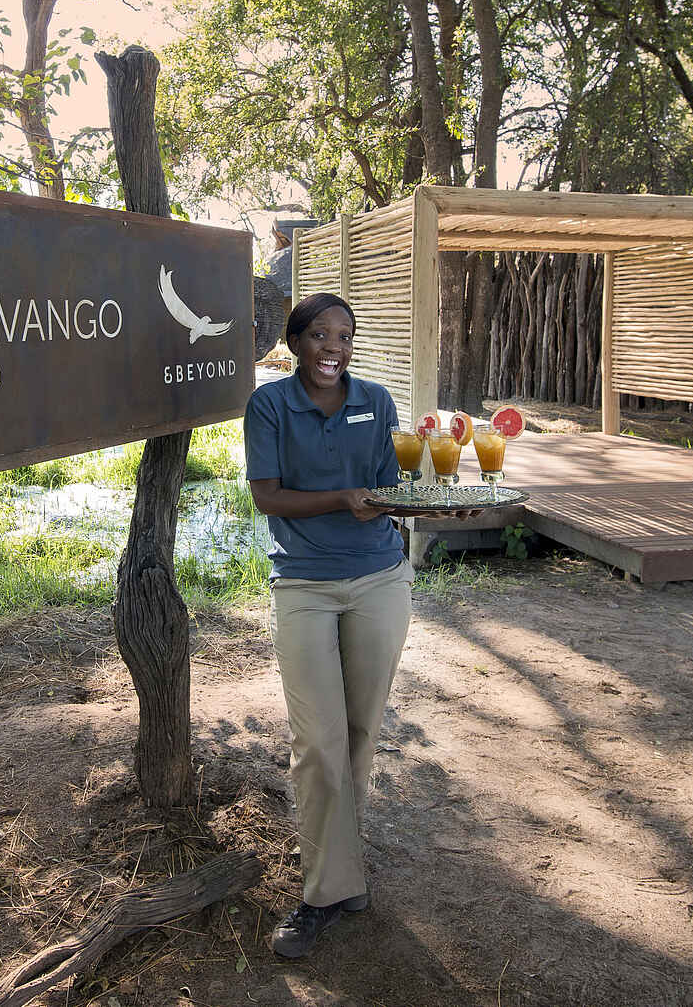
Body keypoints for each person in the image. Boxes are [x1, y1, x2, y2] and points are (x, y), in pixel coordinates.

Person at [243, 292, 413, 958]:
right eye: (319, 335)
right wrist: (342, 499)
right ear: (295, 342)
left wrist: (436, 504)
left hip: (380, 578)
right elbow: (267, 496)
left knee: (362, 732)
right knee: (318, 739)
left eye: (344, 336)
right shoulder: (269, 405)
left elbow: (391, 488)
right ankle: (323, 894)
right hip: (305, 584)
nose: (332, 348)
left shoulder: (377, 401)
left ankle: (340, 870)